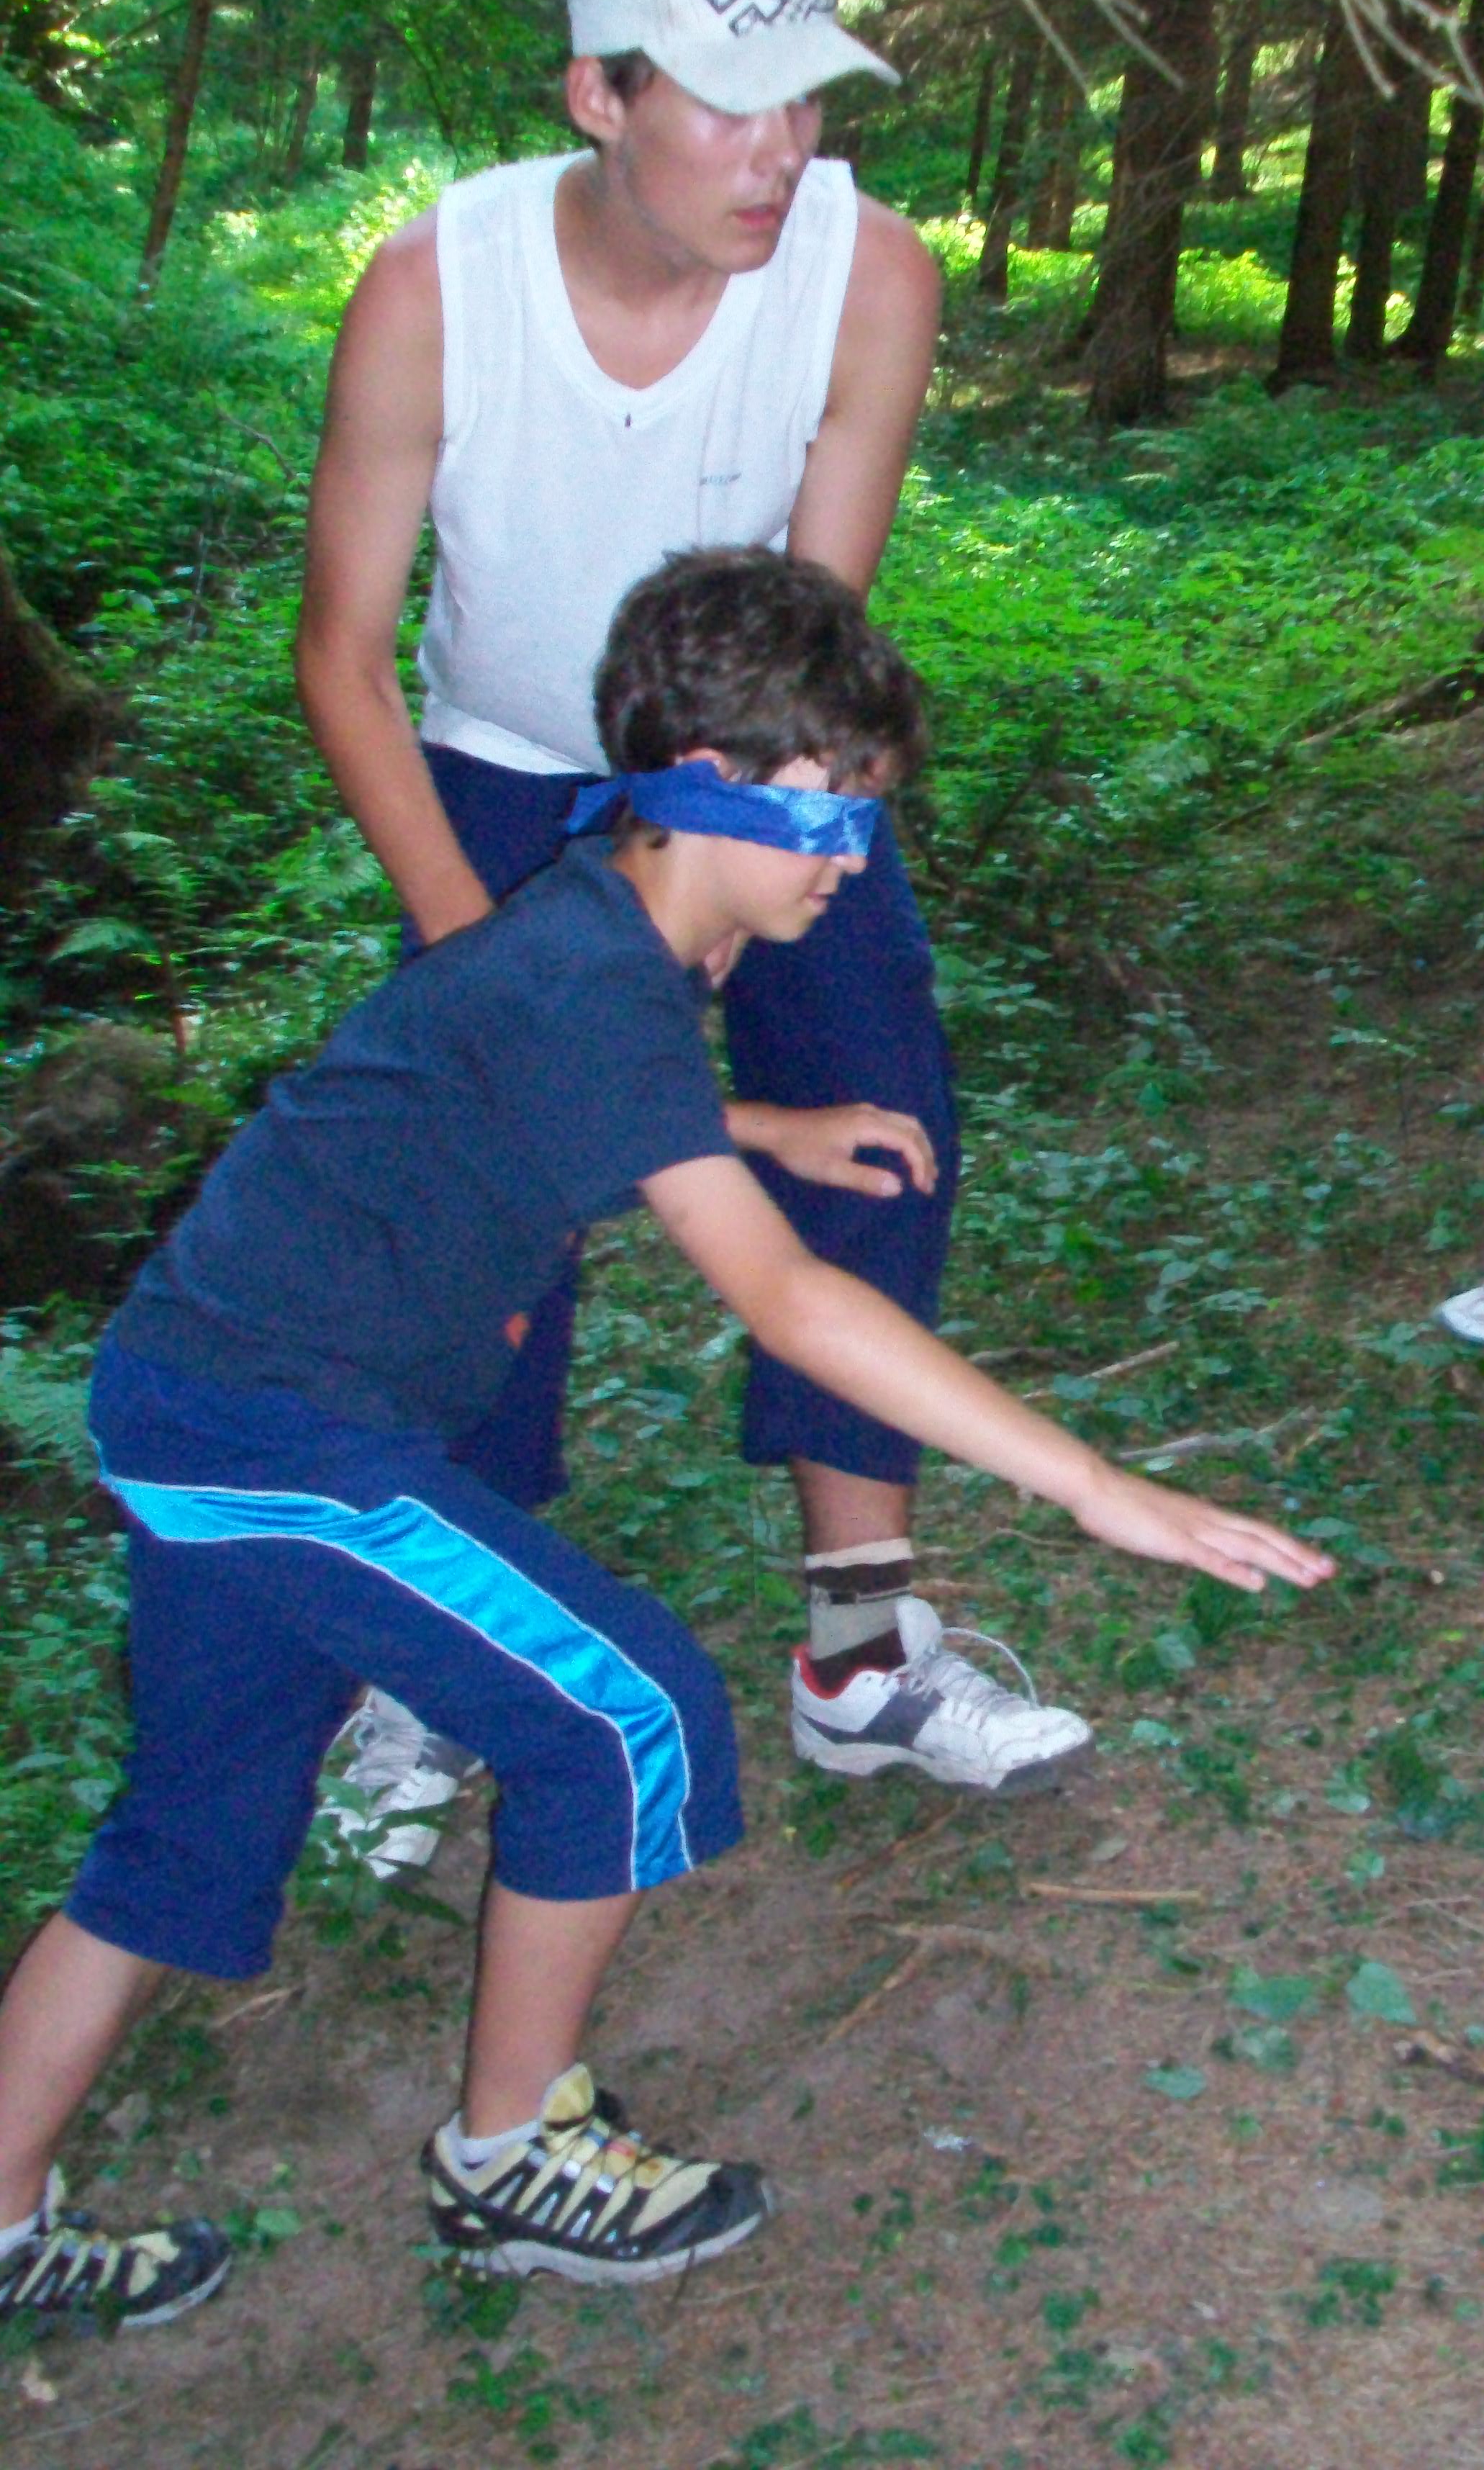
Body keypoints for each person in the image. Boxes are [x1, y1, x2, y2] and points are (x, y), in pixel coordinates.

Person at [0, 551, 1334, 2329]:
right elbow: (787, 1301)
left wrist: (768, 1127)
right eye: (831, 812)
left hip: (210, 1393)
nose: (851, 856)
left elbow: (578, 1093)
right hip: (272, 1427)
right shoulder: (586, 964)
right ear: (710, 785)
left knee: (187, 1828)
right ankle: (509, 2157)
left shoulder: (615, 928)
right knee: (628, 1710)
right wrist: (1097, 1486)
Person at [296, 0, 1095, 1848]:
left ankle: (862, 1652)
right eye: (728, 104)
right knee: (477, 1178)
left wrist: (739, 870)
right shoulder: (437, 288)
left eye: (804, 97)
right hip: (499, 773)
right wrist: (495, 965)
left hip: (766, 761)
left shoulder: (865, 275)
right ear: (599, 96)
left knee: (877, 1115)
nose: (779, 150)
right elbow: (343, 658)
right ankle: (442, 1657)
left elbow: (809, 647)